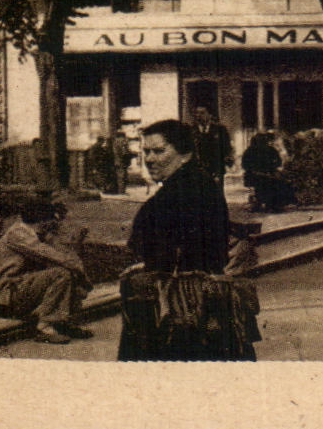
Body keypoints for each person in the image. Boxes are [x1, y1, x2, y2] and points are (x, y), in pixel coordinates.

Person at [119, 119, 259, 361]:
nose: (150, 159)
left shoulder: (186, 190)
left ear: (185, 154)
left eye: (159, 151)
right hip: (194, 300)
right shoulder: (191, 184)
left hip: (183, 306)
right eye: (146, 152)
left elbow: (179, 250)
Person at [0, 198, 92, 344]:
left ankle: (64, 322)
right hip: (7, 297)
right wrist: (82, 275)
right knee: (61, 274)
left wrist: (77, 268)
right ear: (42, 220)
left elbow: (65, 254)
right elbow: (53, 256)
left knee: (67, 272)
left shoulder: (35, 234)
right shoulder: (18, 234)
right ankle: (44, 328)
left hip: (21, 291)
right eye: (51, 220)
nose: (53, 224)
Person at [242, 132, 296, 213]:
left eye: (264, 140)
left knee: (280, 181)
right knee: (266, 182)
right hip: (254, 174)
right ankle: (267, 203)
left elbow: (278, 162)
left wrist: (272, 168)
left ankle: (276, 203)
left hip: (269, 173)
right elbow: (245, 165)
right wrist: (256, 170)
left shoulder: (270, 150)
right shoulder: (250, 151)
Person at [191, 105, 233, 182]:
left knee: (216, 192)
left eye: (202, 113)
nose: (198, 116)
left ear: (210, 115)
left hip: (216, 169)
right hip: (197, 170)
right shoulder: (191, 130)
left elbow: (227, 147)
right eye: (196, 113)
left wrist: (227, 160)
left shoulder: (220, 129)